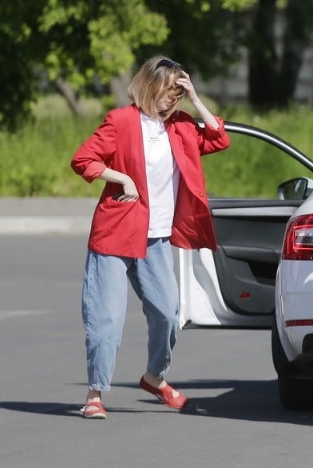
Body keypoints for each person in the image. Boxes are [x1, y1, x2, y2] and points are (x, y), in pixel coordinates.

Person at [70, 56, 230, 420]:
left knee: (168, 314)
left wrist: (196, 98)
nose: (173, 97)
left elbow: (218, 138)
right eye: (168, 90)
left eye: (178, 91)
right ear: (148, 85)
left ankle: (154, 377)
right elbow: (83, 160)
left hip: (156, 239)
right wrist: (121, 178)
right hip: (115, 234)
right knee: (107, 318)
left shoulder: (181, 125)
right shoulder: (121, 121)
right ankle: (95, 394)